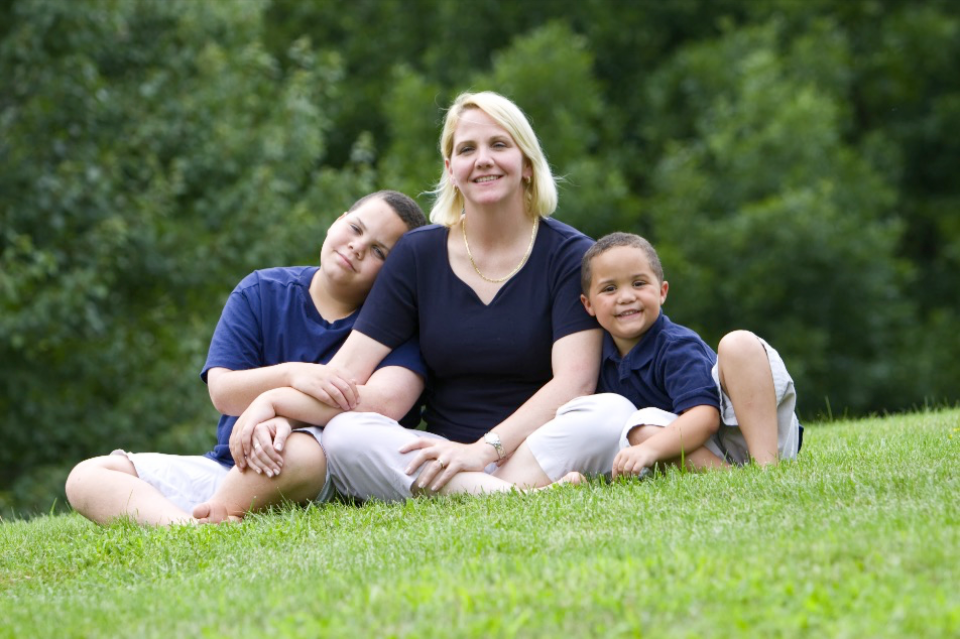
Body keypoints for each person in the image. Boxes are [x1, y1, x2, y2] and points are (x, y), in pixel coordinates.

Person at [227, 91, 602, 502]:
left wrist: (482, 452)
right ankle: (521, 498)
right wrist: (280, 407)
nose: (483, 160)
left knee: (607, 415)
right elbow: (346, 374)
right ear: (450, 169)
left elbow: (575, 381)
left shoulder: (571, 255)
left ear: (527, 164)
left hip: (536, 444)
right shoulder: (418, 254)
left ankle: (487, 493)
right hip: (438, 455)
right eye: (466, 149)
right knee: (347, 434)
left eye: (499, 145)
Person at [65, 190, 428, 525]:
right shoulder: (261, 291)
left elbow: (383, 404)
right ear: (338, 219)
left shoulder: (395, 328)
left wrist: (280, 411)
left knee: (301, 452)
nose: (357, 246)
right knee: (87, 476)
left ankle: (218, 512)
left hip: (315, 470)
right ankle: (186, 529)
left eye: (379, 250)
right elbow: (223, 392)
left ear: (394, 274)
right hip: (230, 464)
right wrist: (291, 374)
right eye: (354, 228)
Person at [516, 231, 803, 486]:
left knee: (738, 343)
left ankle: (767, 470)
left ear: (662, 291)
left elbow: (705, 418)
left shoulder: (675, 345)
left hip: (747, 430)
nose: (626, 297)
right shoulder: (596, 357)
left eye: (639, 283)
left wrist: (648, 451)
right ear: (588, 305)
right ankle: (733, 480)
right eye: (609, 289)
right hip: (705, 453)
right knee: (636, 429)